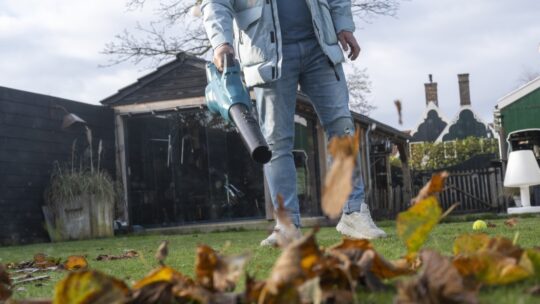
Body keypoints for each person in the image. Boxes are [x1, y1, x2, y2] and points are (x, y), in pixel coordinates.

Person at [201, 0, 387, 246]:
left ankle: (354, 212)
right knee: (276, 142)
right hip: (266, 53)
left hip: (319, 45)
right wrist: (221, 42)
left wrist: (343, 25)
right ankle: (287, 225)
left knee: (342, 128)